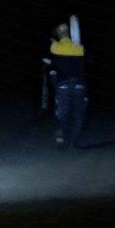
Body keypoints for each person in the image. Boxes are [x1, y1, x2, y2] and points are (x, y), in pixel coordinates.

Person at [44, 16, 88, 147]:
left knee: (61, 113)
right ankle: (75, 140)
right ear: (69, 33)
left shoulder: (54, 47)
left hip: (62, 85)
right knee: (78, 113)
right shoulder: (79, 47)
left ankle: (60, 138)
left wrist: (49, 63)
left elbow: (52, 61)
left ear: (58, 34)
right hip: (79, 85)